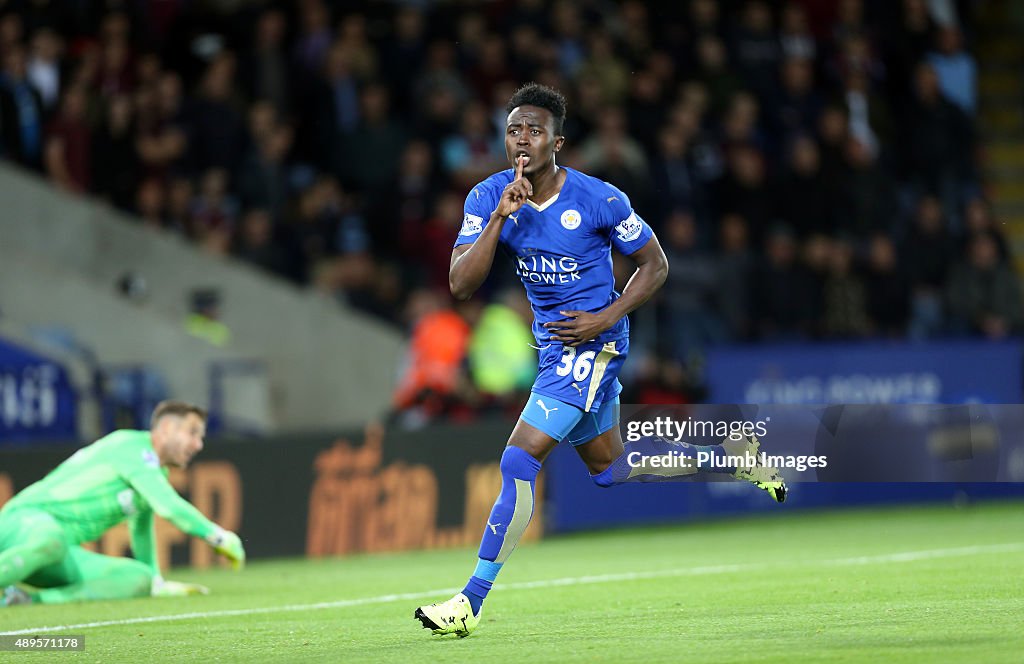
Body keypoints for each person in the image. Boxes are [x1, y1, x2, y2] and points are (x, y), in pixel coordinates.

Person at [415, 83, 785, 637]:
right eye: (514, 130)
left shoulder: (599, 198)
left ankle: (470, 601)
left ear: (556, 142)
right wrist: (499, 218)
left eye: (534, 131)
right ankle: (734, 457)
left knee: (519, 460)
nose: (521, 140)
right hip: (552, 348)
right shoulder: (487, 196)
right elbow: (460, 284)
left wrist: (607, 316)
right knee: (609, 470)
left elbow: (654, 264)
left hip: (593, 344)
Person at [0, 401, 245, 606]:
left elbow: (140, 528)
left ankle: (30, 600)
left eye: (200, 437)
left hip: (58, 551)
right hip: (22, 521)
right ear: (168, 427)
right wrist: (217, 535)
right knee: (49, 539)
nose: (198, 445)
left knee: (138, 577)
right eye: (192, 433)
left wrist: (155, 581)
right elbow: (168, 507)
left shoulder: (155, 473)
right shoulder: (130, 447)